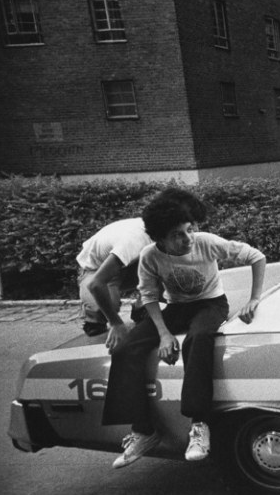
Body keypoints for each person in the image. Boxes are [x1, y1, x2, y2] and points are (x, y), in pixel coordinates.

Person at [104, 192, 265, 469]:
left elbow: (256, 257)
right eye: (177, 235)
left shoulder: (207, 243)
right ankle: (143, 431)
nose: (188, 238)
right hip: (176, 308)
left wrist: (254, 299)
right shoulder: (150, 256)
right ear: (160, 239)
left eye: (190, 229)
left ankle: (200, 424)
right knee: (125, 348)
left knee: (197, 339)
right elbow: (149, 295)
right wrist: (164, 334)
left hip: (211, 304)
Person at [76, 187, 209, 347]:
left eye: (193, 226)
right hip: (97, 269)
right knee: (107, 307)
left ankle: (141, 307)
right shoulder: (134, 240)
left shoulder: (167, 233)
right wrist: (116, 323)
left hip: (133, 264)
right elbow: (96, 283)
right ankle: (93, 318)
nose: (194, 230)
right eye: (191, 224)